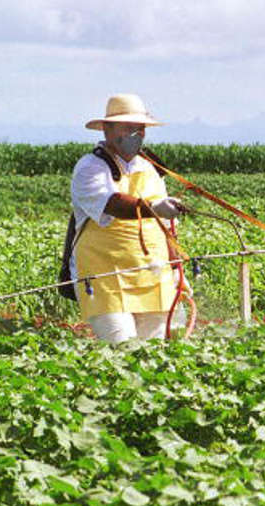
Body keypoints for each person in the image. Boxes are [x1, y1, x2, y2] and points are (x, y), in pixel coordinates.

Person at [70, 93, 187, 343]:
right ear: (107, 129)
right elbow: (113, 204)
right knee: (123, 349)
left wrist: (177, 267)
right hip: (105, 277)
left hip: (154, 275)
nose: (137, 134)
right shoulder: (90, 168)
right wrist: (153, 207)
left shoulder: (149, 169)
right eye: (128, 127)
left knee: (156, 352)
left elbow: (165, 226)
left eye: (140, 128)